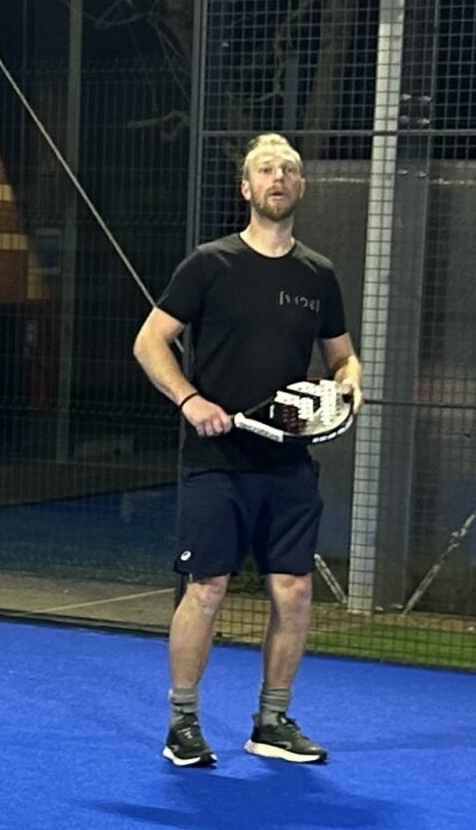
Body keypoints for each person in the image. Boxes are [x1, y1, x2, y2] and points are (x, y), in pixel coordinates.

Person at [132, 133, 362, 768]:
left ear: (301, 186)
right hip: (216, 464)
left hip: (288, 466)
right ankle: (183, 723)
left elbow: (342, 357)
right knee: (206, 588)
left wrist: (350, 385)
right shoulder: (210, 264)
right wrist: (189, 399)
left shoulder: (318, 275)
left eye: (289, 169)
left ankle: (271, 722)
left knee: (294, 591)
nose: (278, 177)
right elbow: (149, 343)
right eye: (266, 169)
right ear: (246, 188)